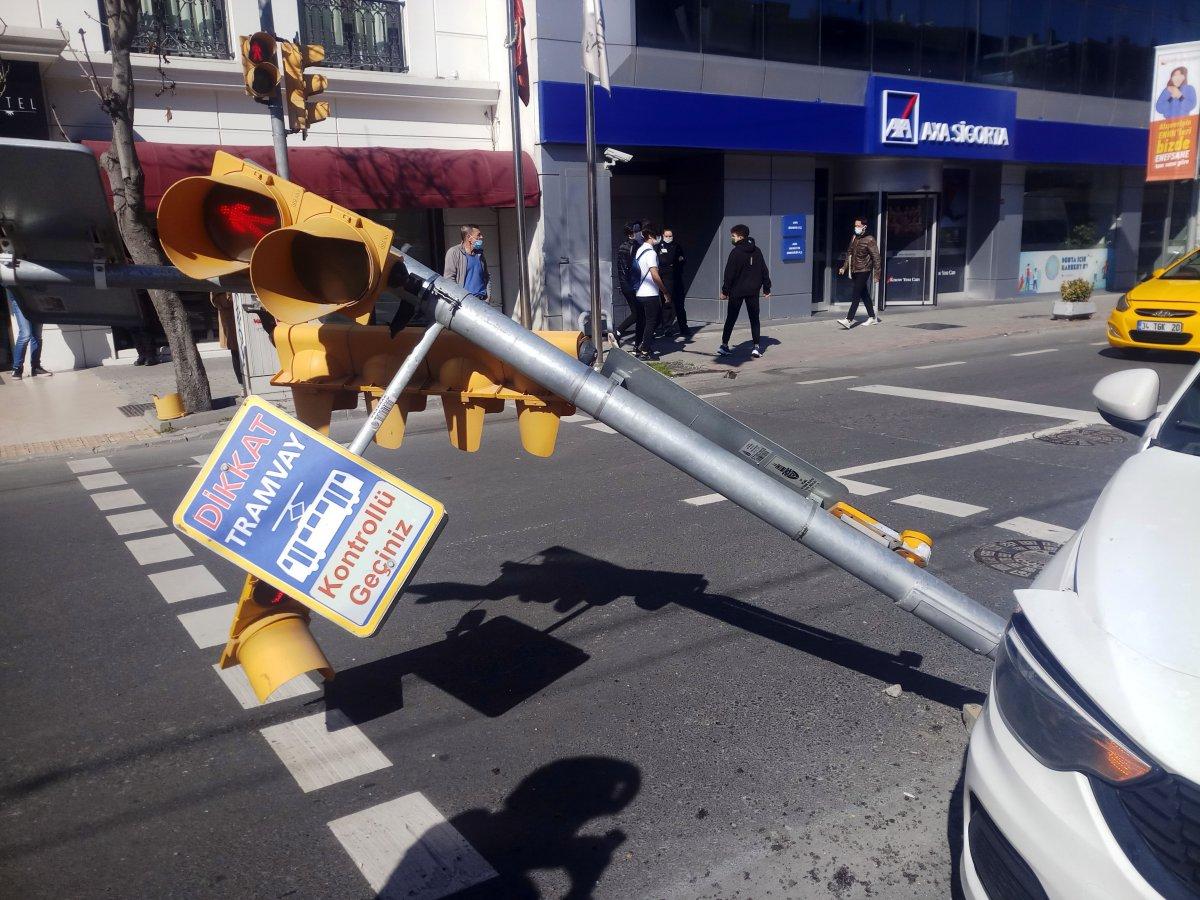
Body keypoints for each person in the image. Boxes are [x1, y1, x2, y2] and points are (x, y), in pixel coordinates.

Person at [718, 224, 771, 358]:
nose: (732, 238)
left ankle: (724, 345)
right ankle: (756, 347)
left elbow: (729, 274)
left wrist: (725, 291)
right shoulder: (757, 251)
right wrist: (766, 288)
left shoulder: (736, 252)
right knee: (754, 319)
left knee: (731, 318)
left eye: (733, 236)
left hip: (736, 291)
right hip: (753, 291)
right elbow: (764, 270)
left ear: (740, 237)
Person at [632, 222, 671, 360]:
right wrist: (665, 291)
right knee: (653, 322)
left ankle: (639, 347)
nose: (659, 238)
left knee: (643, 321)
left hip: (639, 292)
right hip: (650, 293)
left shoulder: (640, 250)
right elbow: (655, 275)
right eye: (657, 235)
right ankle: (645, 350)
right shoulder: (651, 253)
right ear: (650, 235)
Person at [837, 217, 881, 329]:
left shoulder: (870, 239)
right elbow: (849, 253)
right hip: (855, 270)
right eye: (855, 225)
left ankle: (848, 320)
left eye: (858, 226)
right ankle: (872, 317)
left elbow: (876, 258)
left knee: (856, 294)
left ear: (864, 227)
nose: (856, 227)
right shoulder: (854, 238)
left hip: (864, 270)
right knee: (864, 294)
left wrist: (877, 275)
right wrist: (844, 267)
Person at [444, 224, 496, 310]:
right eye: (478, 235)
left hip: (483, 303)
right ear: (469, 237)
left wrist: (488, 297)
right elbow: (449, 279)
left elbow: (486, 276)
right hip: (465, 305)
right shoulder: (454, 252)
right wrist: (459, 298)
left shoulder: (480, 254)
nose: (481, 237)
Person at [7, 290, 51, 379]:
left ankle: (36, 367)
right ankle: (17, 369)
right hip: (18, 298)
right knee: (25, 334)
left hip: (35, 297)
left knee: (37, 335)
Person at [657, 227, 690, 340]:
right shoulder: (659, 247)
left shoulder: (677, 246)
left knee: (680, 304)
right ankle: (667, 327)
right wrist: (672, 262)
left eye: (670, 236)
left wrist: (673, 262)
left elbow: (682, 260)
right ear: (663, 236)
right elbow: (663, 261)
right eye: (666, 236)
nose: (668, 238)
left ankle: (683, 327)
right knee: (667, 304)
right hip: (666, 279)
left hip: (677, 278)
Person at [614, 221, 642, 345]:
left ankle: (619, 333)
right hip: (631, 285)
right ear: (631, 234)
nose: (640, 233)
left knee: (638, 313)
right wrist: (628, 286)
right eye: (638, 231)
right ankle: (618, 332)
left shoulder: (631, 246)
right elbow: (624, 269)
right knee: (638, 313)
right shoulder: (629, 247)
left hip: (631, 285)